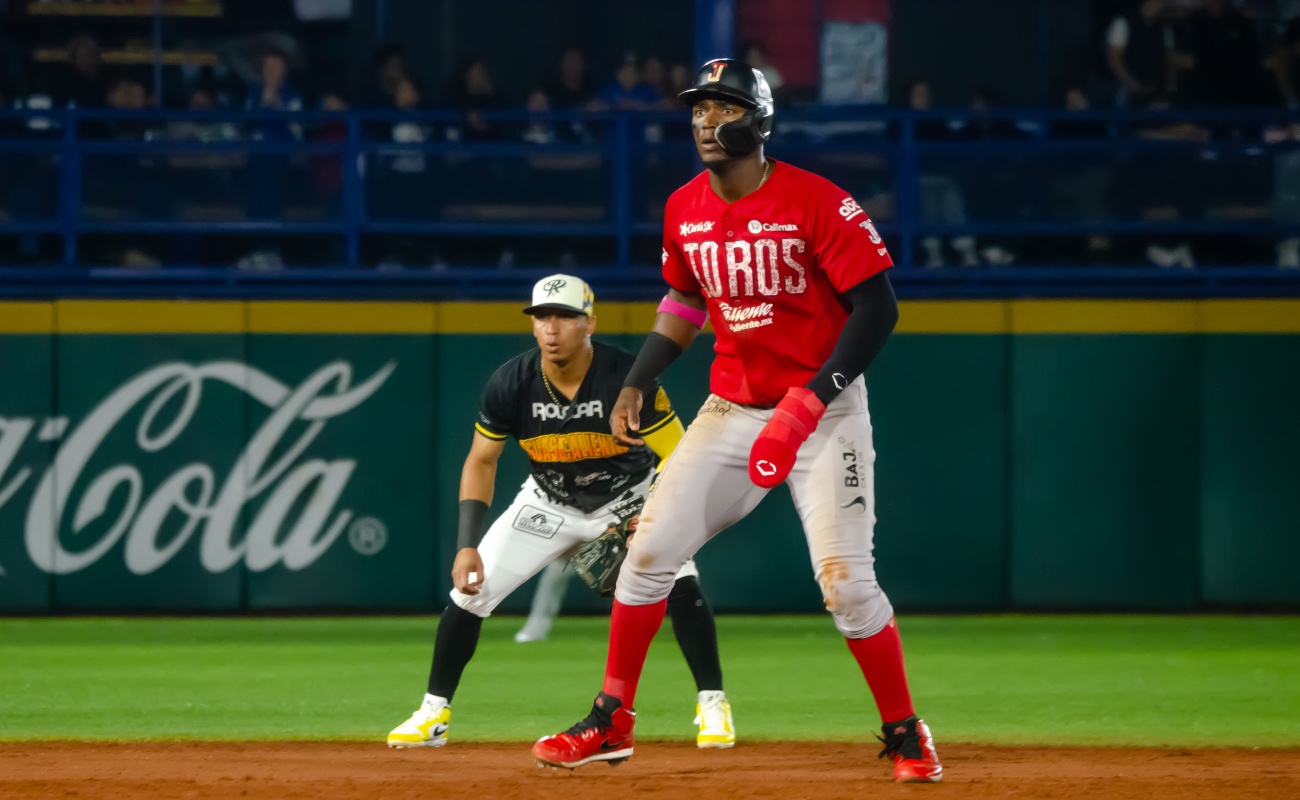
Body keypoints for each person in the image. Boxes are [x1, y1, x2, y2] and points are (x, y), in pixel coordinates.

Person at [532, 59, 942, 783]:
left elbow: (879, 308)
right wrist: (640, 376)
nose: (706, 122)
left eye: (725, 109)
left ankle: (906, 730)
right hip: (732, 409)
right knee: (648, 556)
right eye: (698, 109)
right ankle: (613, 718)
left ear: (760, 121)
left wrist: (811, 402)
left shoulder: (818, 201)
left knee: (846, 583)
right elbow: (686, 301)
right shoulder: (684, 206)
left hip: (824, 408)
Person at [387, 275, 736, 750]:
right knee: (470, 591)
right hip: (547, 502)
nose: (552, 328)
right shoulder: (511, 382)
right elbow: (481, 461)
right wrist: (467, 544)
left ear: (589, 322)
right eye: (542, 317)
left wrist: (653, 512)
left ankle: (713, 705)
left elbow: (678, 455)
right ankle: (433, 713)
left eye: (565, 316)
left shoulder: (626, 377)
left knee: (678, 582)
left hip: (628, 499)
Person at [1104, 0, 1174, 107]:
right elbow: (1113, 59)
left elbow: (1169, 59)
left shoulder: (1164, 27)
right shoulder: (1123, 22)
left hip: (1156, 89)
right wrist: (1133, 85)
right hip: (1126, 87)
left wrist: (1169, 86)